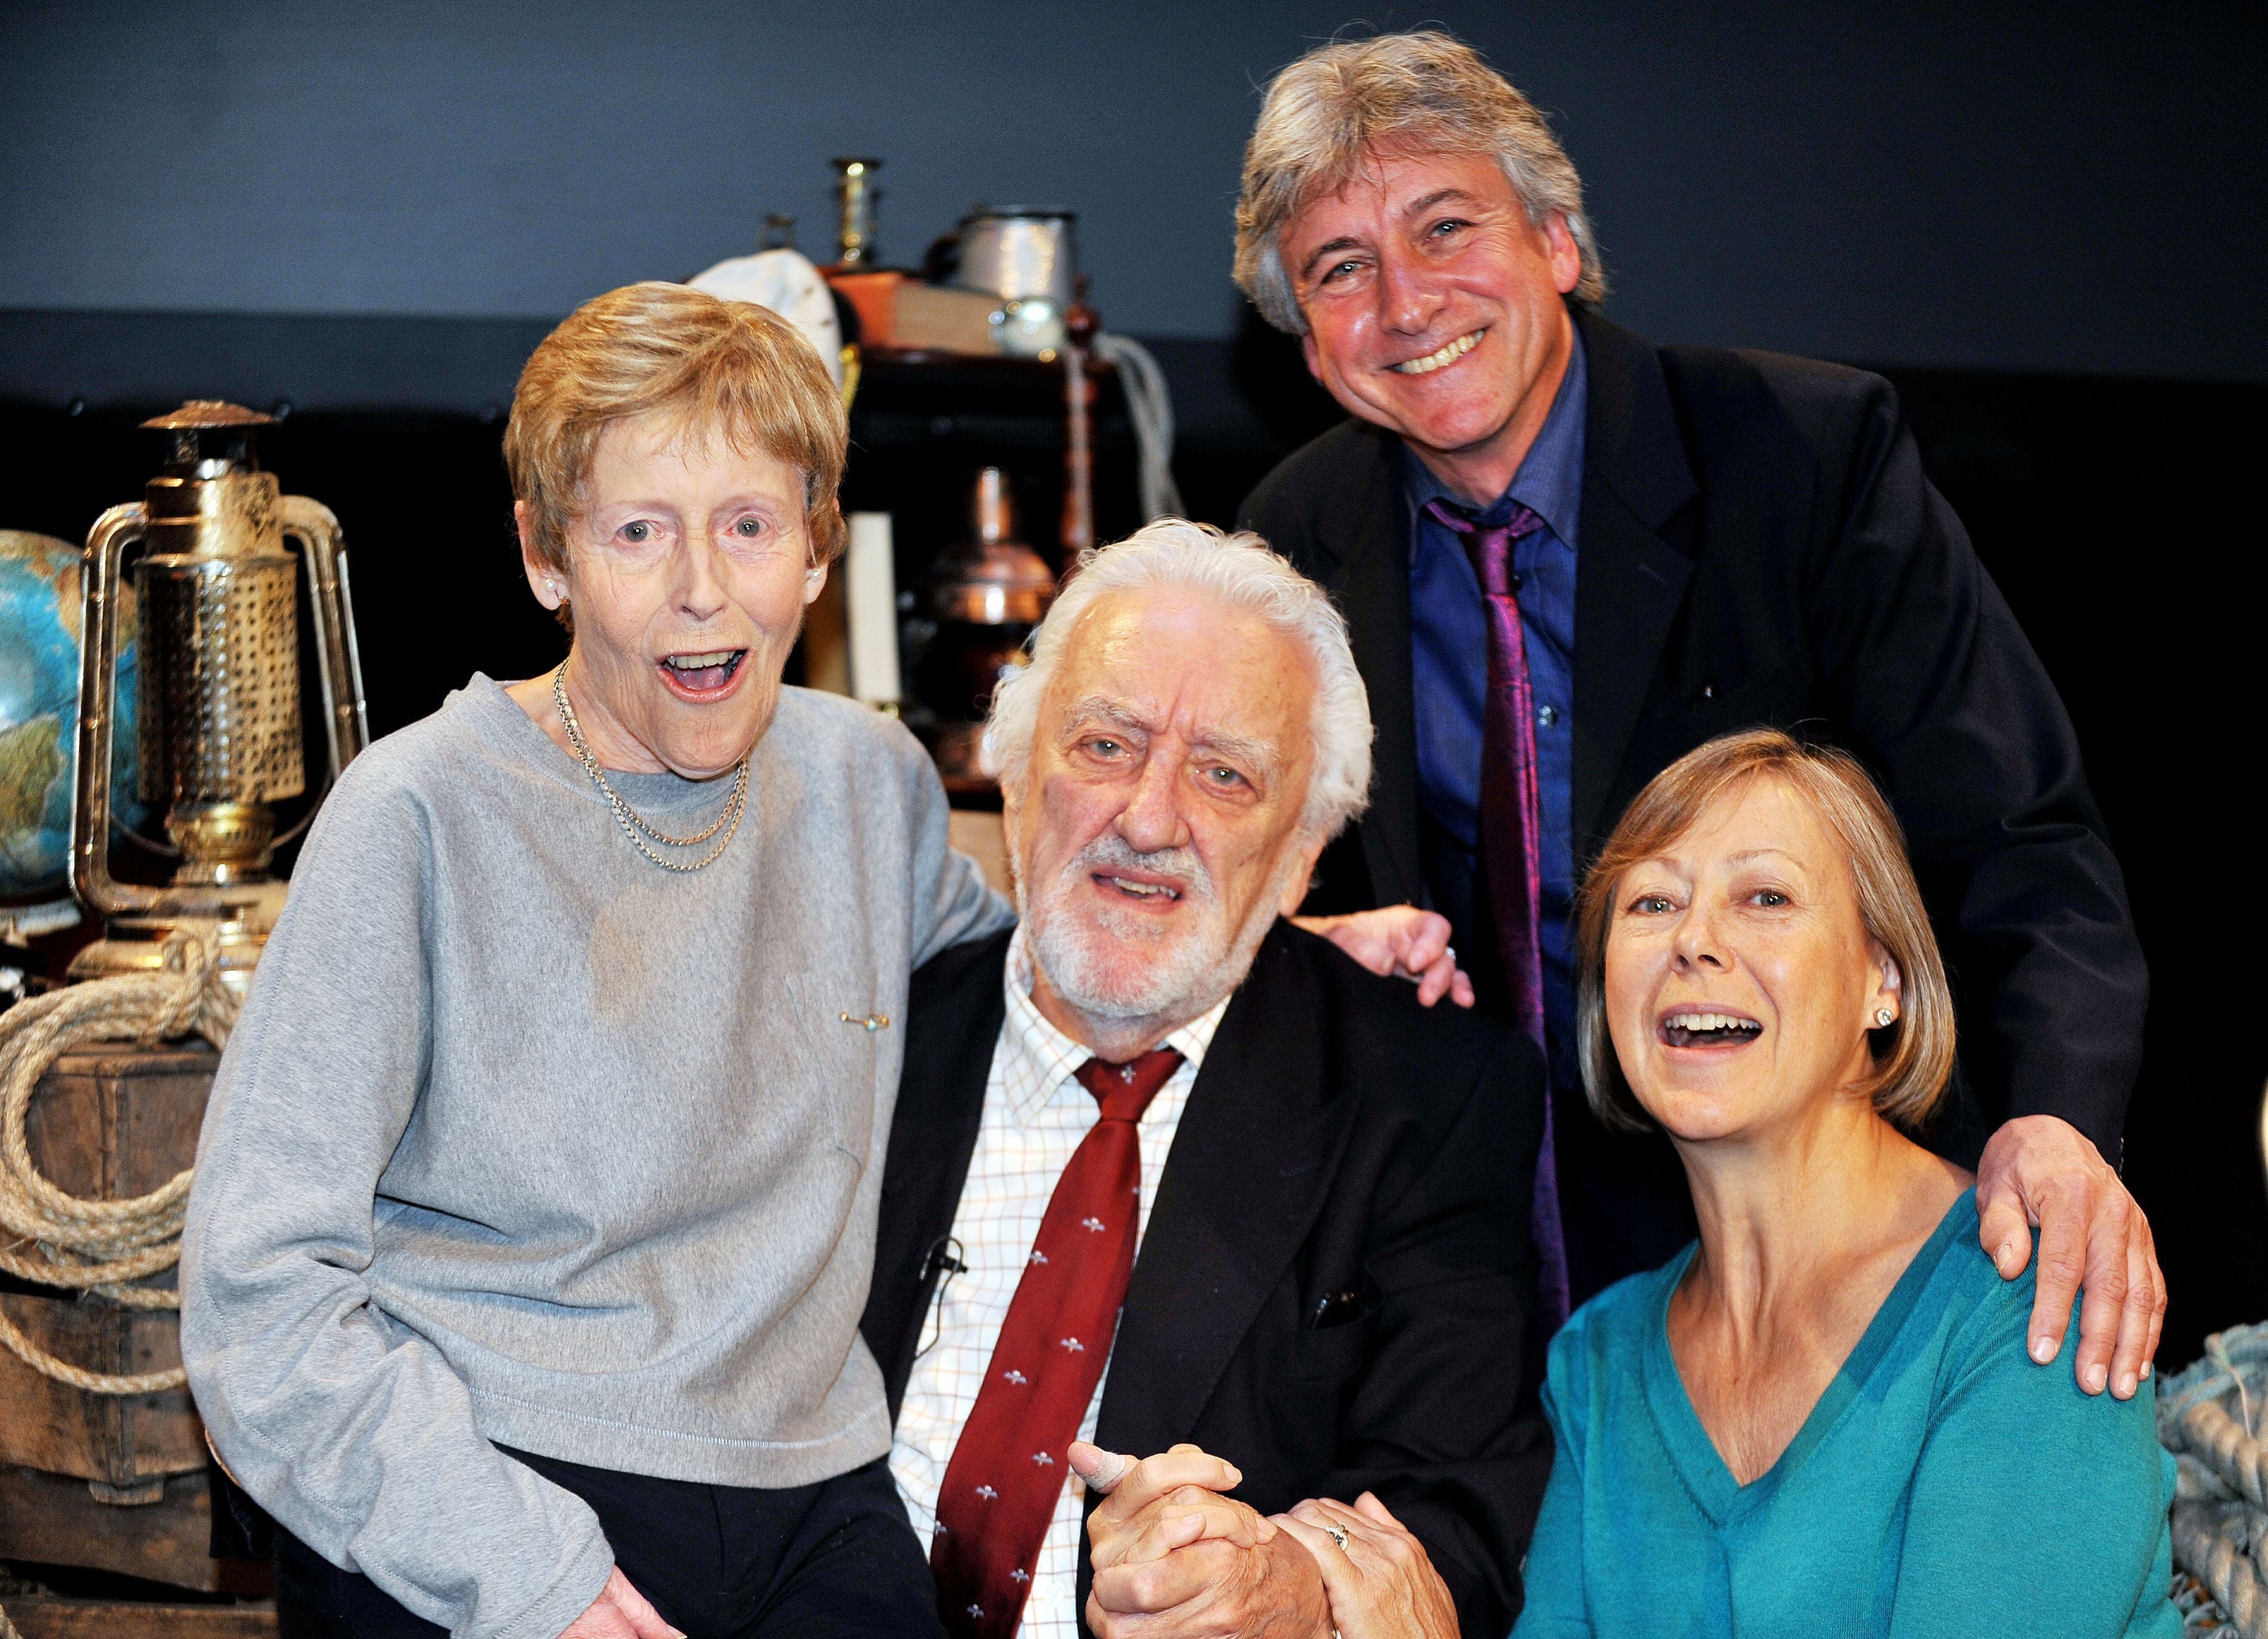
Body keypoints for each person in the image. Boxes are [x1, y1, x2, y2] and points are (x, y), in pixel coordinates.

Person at [1233, 30, 2161, 1398]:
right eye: (1341, 269)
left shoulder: (1804, 456)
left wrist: (2058, 1122)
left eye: (1445, 227)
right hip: (1465, 1277)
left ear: (1556, 241)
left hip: (1823, 1247)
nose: (1406, 300)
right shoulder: (1289, 539)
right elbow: (1265, 911)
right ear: (1310, 344)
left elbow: (2018, 835)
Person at [179, 282, 1015, 1639]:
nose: (703, 588)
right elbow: (257, 1302)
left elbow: (1042, 970)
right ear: (544, 558)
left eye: (749, 525)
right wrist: (518, 1569)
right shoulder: (417, 813)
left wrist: (1286, 945)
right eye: (639, 532)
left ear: (814, 548)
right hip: (493, 1463)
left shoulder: (872, 783)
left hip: (811, 1481)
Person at [1270, 729, 2179, 1638]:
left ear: (1885, 980)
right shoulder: (1594, 1362)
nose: (1694, 942)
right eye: (1652, 902)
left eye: (1768, 896)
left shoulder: (2029, 1294)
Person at [857, 520, 1551, 1639]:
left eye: (1224, 774)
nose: (1147, 816)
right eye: (1105, 744)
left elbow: (1458, 1516)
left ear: (1302, 853)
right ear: (1017, 780)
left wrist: (1291, 1580)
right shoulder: (870, 1040)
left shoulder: (1428, 1096)